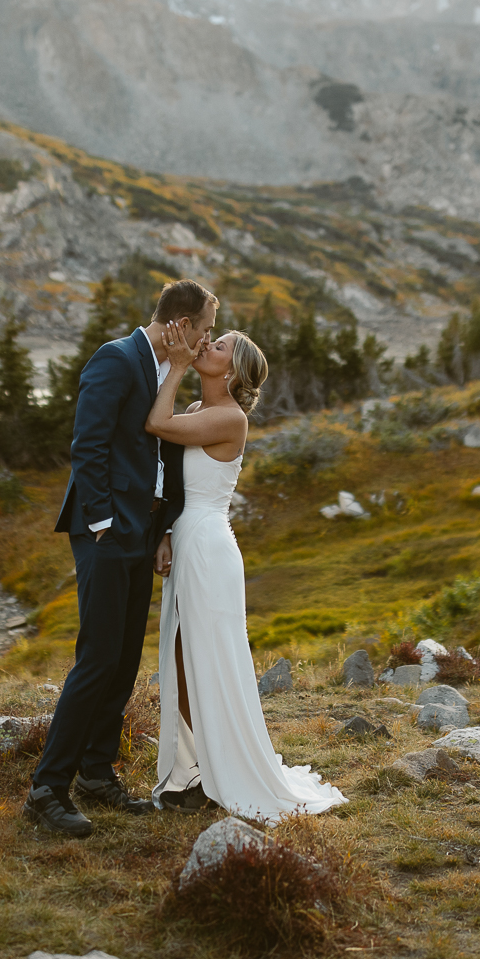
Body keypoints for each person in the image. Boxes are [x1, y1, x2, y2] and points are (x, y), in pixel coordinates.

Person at [24, 280, 218, 837]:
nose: (205, 343)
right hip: (106, 532)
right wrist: (105, 523)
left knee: (125, 657)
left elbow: (158, 454)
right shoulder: (115, 359)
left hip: (143, 533)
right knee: (98, 657)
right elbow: (88, 445)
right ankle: (46, 788)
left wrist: (160, 530)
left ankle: (96, 772)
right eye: (202, 330)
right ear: (178, 324)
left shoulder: (167, 371)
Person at [145, 324, 347, 820]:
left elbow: (155, 422)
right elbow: (173, 480)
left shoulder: (229, 419)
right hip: (188, 538)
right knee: (179, 656)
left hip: (211, 550)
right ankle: (194, 767)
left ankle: (223, 768)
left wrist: (173, 365)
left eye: (216, 347)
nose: (205, 347)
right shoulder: (197, 411)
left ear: (231, 370)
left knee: (208, 659)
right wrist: (165, 534)